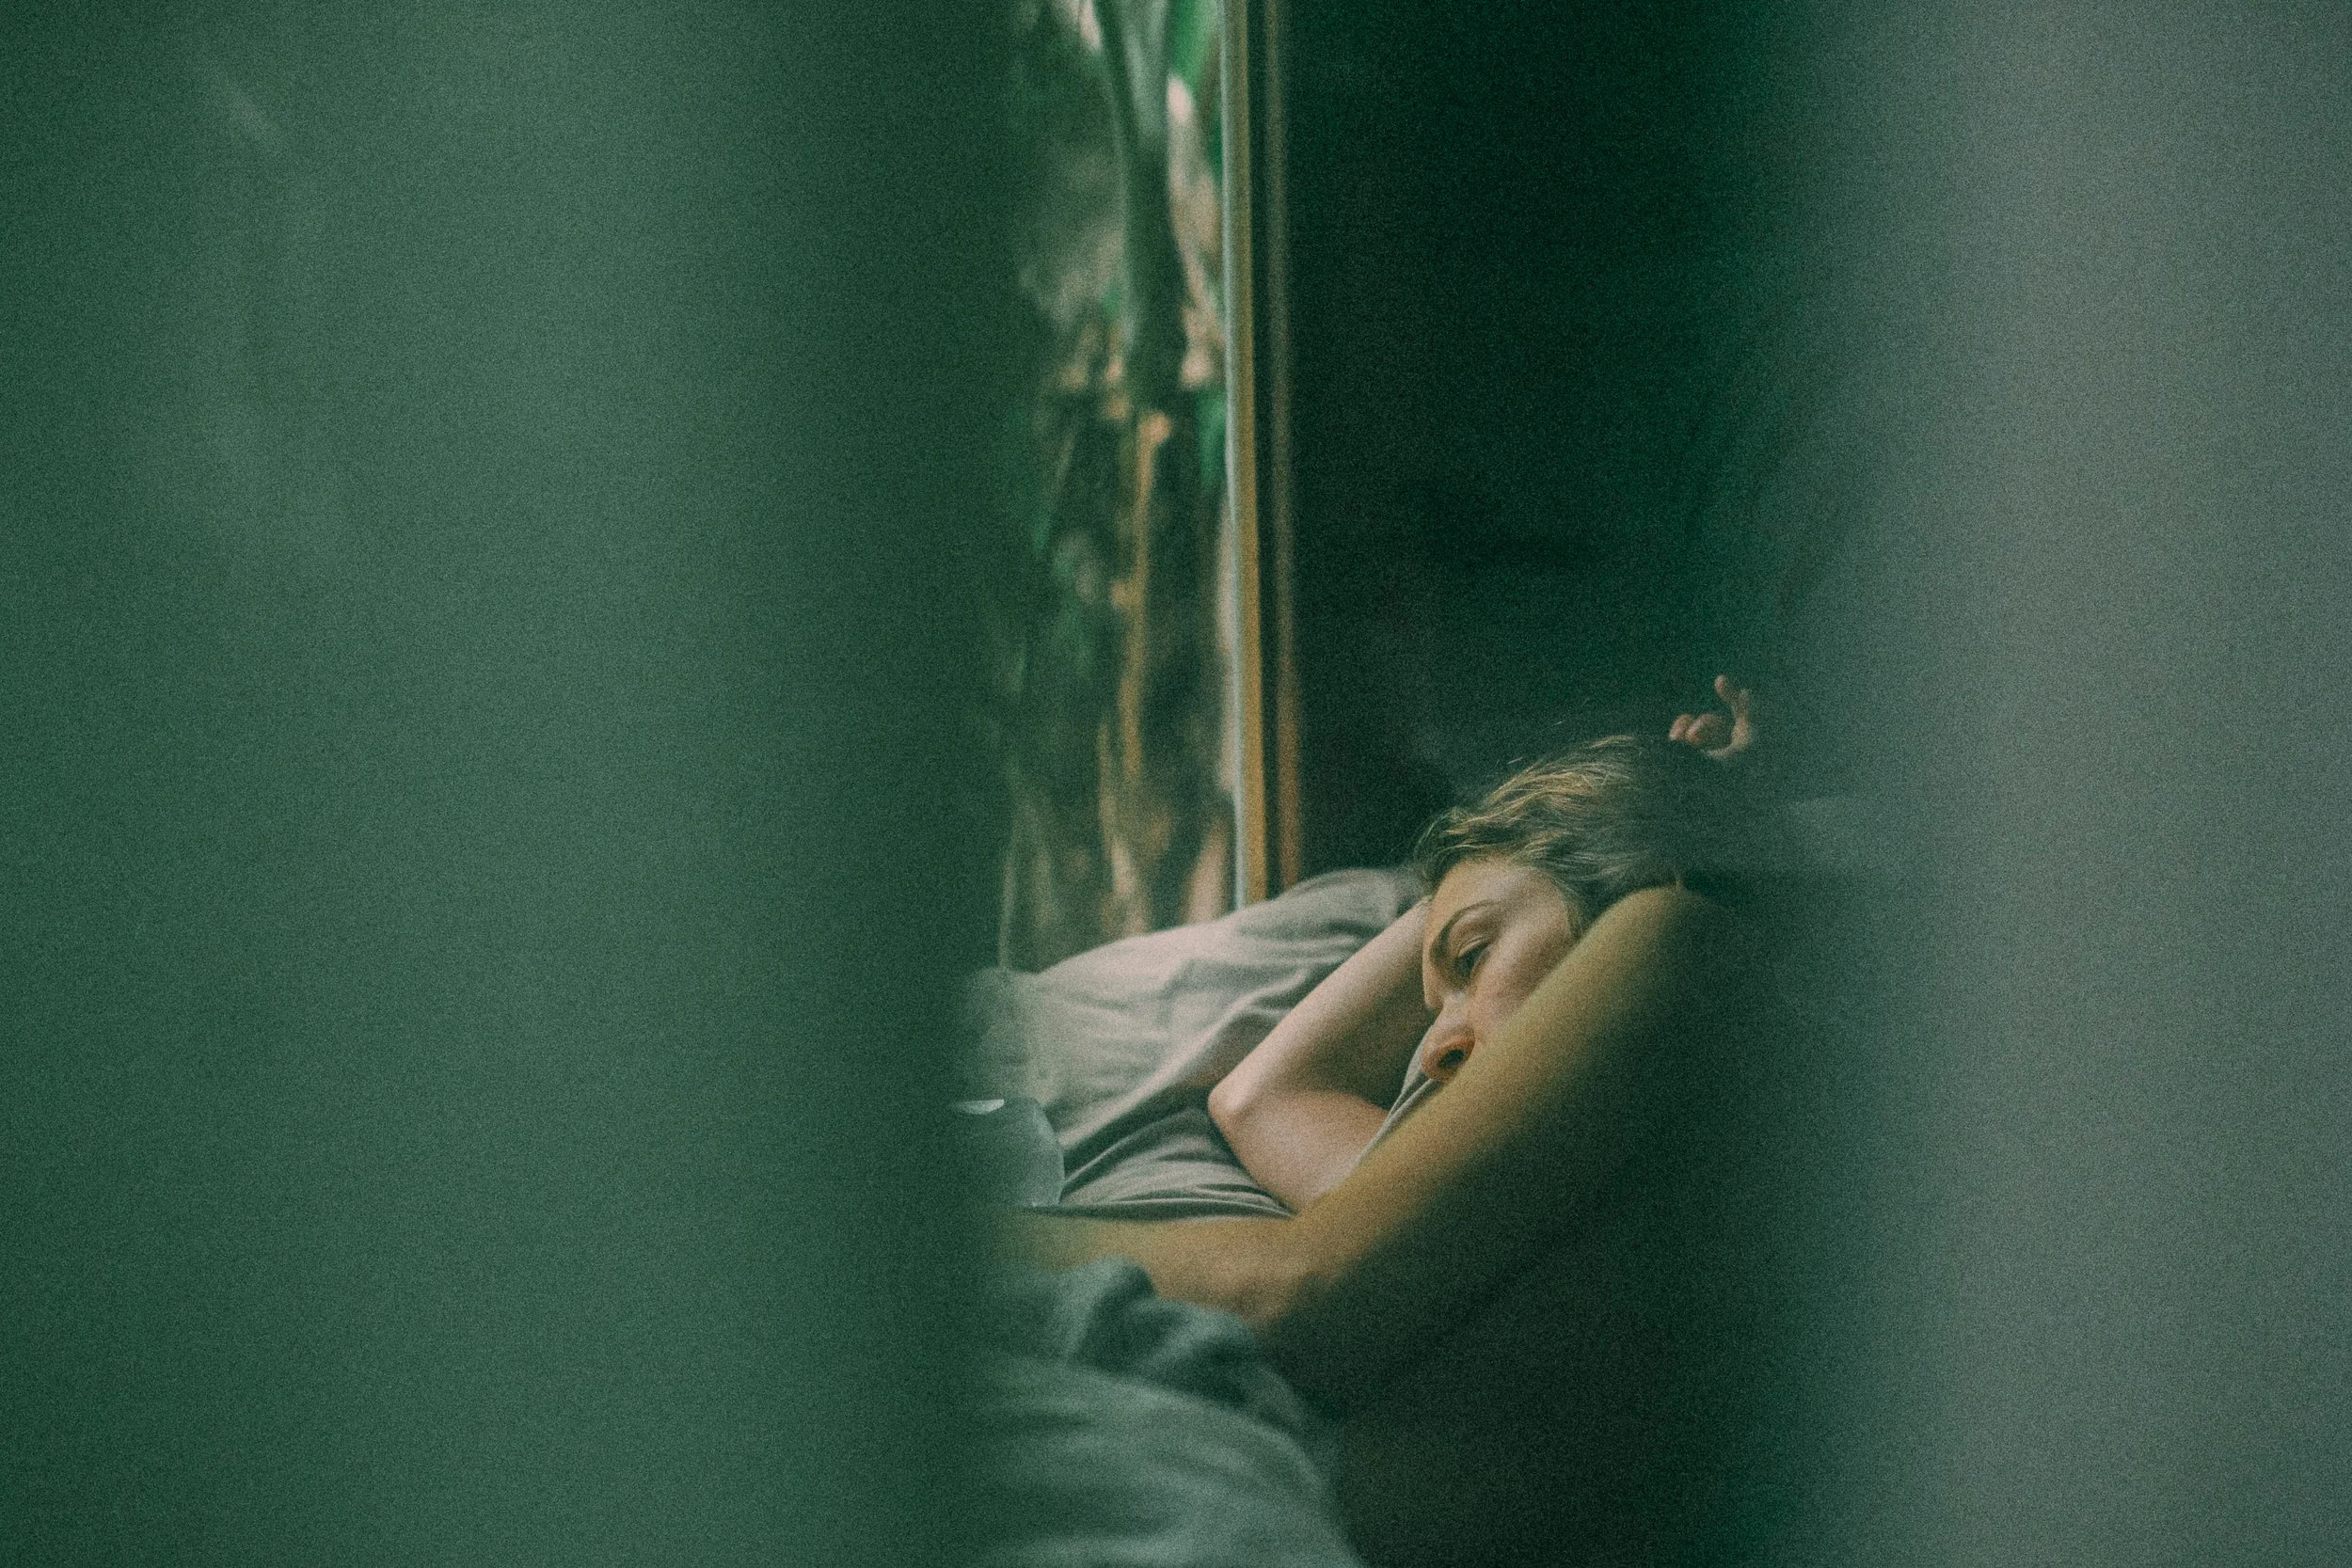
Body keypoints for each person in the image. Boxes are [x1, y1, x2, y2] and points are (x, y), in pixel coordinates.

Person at [1007, 676, 1788, 1564]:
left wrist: (1650, 812)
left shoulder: (1681, 935)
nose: (1434, 1047)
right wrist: (1489, 886)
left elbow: (1294, 1294)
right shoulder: (1502, 1191)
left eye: (1473, 957)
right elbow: (1261, 1097)